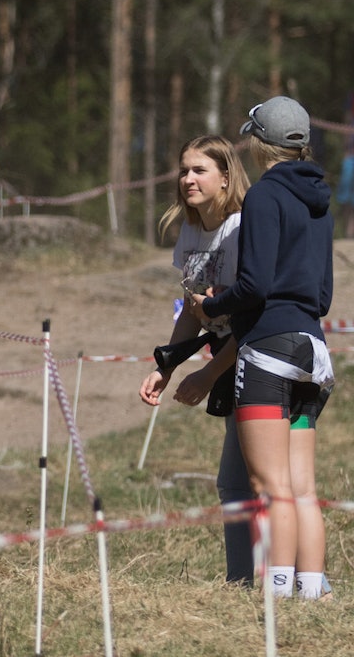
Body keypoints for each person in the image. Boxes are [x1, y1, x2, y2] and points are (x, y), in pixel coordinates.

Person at [187, 96, 334, 600]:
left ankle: (273, 594)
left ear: (257, 141)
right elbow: (324, 294)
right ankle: (310, 590)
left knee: (269, 486)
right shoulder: (321, 197)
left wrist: (211, 307)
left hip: (268, 348)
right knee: (302, 488)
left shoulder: (266, 196)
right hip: (312, 348)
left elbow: (253, 285)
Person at [138, 135, 254, 585]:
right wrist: (165, 367)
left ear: (226, 178)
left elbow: (251, 320)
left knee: (247, 482)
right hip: (225, 357)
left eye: (199, 170)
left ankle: (277, 582)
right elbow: (191, 309)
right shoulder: (189, 232)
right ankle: (245, 581)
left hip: (254, 355)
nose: (188, 178)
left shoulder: (243, 228)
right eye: (184, 170)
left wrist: (207, 374)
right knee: (236, 482)